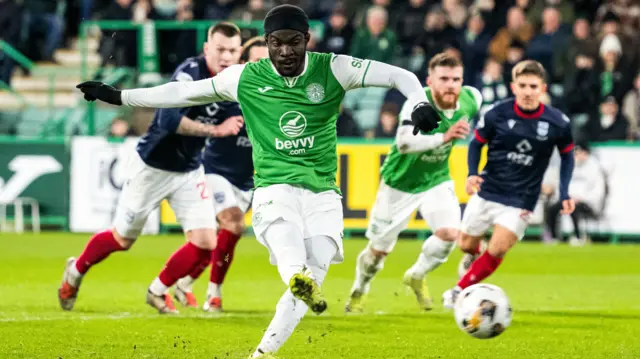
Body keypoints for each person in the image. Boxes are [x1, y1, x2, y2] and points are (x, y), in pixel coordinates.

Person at [74, 5, 441, 357]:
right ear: (266, 43)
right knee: (290, 253)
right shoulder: (245, 77)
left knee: (318, 265)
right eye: (276, 43)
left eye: (293, 42)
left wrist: (419, 102)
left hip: (323, 191)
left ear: (307, 40)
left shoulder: (335, 68)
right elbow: (181, 92)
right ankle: (295, 276)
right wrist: (119, 95)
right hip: (272, 186)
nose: (285, 51)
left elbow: (400, 75)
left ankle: (264, 351)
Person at [58, 22, 245, 314]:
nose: (226, 56)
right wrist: (216, 131)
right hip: (153, 166)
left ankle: (157, 290)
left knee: (206, 242)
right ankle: (76, 271)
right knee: (122, 239)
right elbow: (169, 122)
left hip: (189, 170)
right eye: (220, 49)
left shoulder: (235, 82)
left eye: (232, 51)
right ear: (207, 48)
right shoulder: (190, 72)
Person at [345, 53, 482, 313]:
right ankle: (360, 288)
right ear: (429, 81)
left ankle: (416, 275)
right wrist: (444, 137)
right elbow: (404, 143)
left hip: (436, 180)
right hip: (399, 183)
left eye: (456, 79)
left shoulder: (472, 98)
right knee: (377, 253)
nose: (451, 85)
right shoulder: (418, 104)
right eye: (443, 79)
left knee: (449, 235)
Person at [444, 60, 576, 308]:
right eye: (523, 85)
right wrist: (472, 173)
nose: (528, 91)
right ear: (513, 87)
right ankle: (474, 256)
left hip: (521, 198)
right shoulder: (497, 113)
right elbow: (476, 143)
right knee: (466, 244)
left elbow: (568, 154)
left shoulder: (558, 122)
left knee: (498, 248)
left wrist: (565, 191)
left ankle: (459, 291)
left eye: (533, 86)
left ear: (543, 88)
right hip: (488, 189)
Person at [173, 37, 269, 312]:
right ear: (243, 64)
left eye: (268, 62)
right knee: (234, 224)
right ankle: (213, 295)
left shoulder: (279, 100)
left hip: (248, 181)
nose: (263, 66)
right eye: (256, 61)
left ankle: (184, 283)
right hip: (215, 172)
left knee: (217, 241)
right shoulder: (229, 93)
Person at [544, 142, 605, 246]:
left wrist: (581, 198)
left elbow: (598, 190)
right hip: (569, 199)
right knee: (552, 208)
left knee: (574, 207)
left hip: (586, 202)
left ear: (586, 153)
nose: (577, 155)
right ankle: (554, 237)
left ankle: (578, 236)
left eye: (579, 152)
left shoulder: (594, 167)